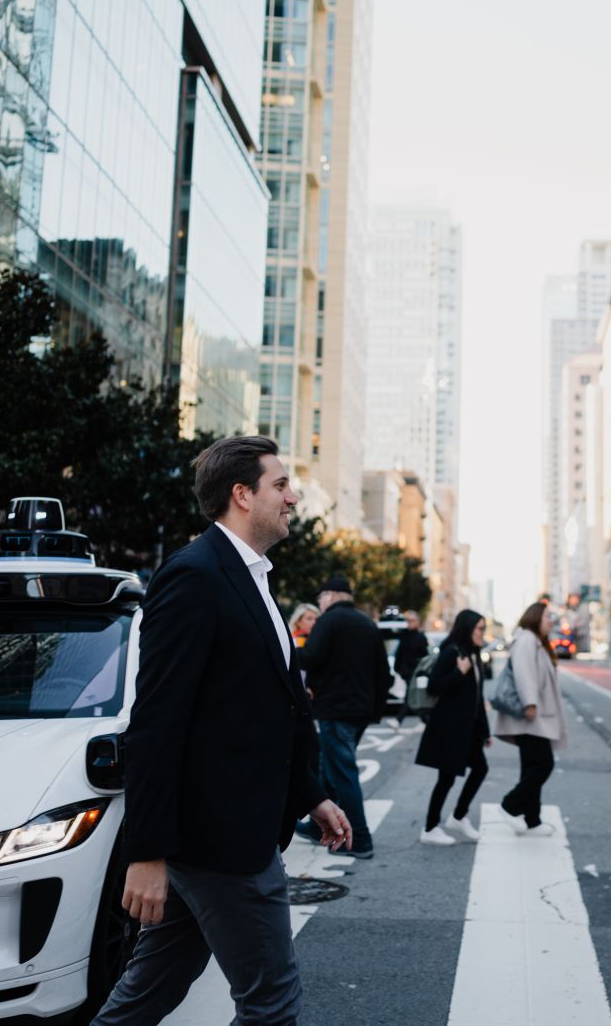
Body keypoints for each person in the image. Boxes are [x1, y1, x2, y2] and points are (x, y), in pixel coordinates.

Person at [97, 435, 350, 1026]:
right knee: (272, 1004)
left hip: (228, 831)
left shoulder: (250, 575)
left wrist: (310, 794)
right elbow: (157, 721)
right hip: (222, 842)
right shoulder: (194, 575)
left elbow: (267, 709)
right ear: (242, 494)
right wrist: (146, 853)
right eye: (280, 485)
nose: (292, 498)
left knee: (146, 995)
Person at [294, 574, 390, 859]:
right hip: (361, 711)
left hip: (335, 709)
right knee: (330, 767)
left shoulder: (329, 621)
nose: (320, 603)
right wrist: (375, 710)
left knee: (343, 772)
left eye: (321, 597)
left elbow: (311, 657)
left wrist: (288, 650)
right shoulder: (367, 623)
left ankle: (360, 839)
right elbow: (383, 673)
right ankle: (317, 826)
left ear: (331, 595)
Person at [416, 609, 491, 845]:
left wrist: (485, 731)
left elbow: (477, 697)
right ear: (468, 628)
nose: (482, 633)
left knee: (480, 769)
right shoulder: (451, 652)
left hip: (468, 730)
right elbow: (434, 686)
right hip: (450, 728)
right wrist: (459, 672)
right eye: (480, 628)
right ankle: (430, 828)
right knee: (446, 778)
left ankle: (458, 816)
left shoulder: (473, 654)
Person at [492, 601, 567, 834]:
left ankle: (532, 820)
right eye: (547, 617)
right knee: (544, 764)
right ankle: (509, 805)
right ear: (535, 618)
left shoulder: (536, 642)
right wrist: (530, 703)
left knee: (531, 767)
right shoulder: (526, 640)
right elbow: (524, 672)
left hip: (536, 716)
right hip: (531, 715)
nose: (551, 621)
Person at [393, 609, 428, 685]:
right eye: (408, 620)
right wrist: (397, 668)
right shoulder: (403, 635)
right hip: (405, 671)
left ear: (417, 622)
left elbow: (425, 655)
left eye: (412, 620)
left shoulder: (421, 637)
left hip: (415, 671)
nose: (410, 623)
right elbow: (400, 652)